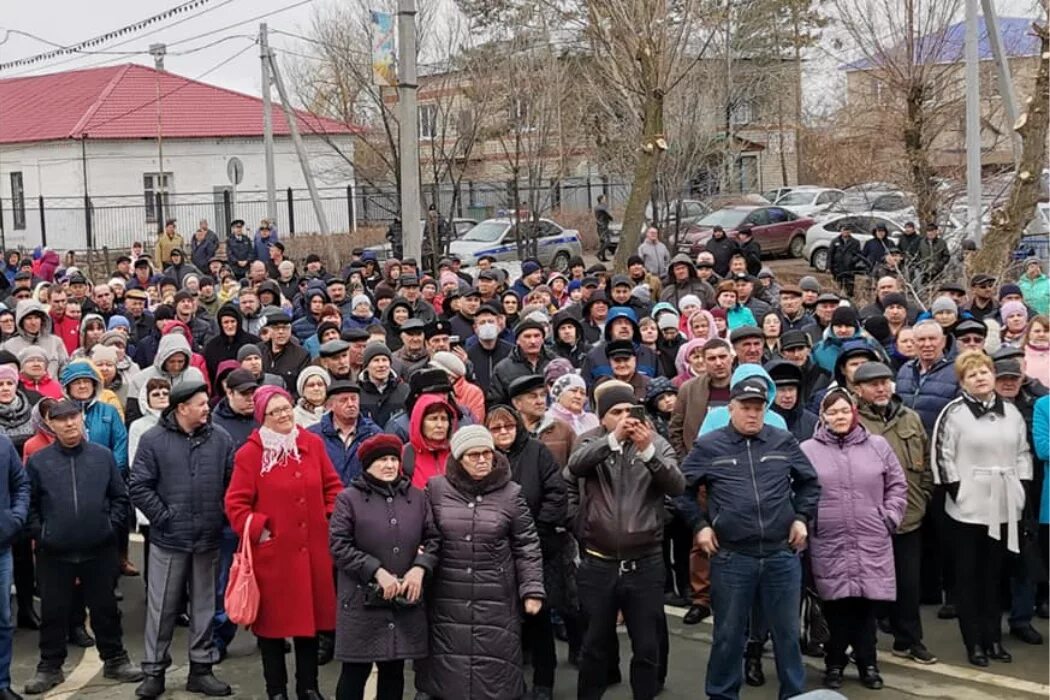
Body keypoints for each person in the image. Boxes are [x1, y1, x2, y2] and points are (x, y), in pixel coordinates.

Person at [679, 376, 820, 700]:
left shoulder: (782, 441)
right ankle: (722, 695)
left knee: (786, 635)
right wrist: (700, 526)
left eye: (759, 408)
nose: (753, 414)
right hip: (732, 557)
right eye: (746, 407)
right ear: (731, 409)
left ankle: (794, 695)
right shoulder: (709, 445)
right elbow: (681, 492)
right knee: (728, 636)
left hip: (780, 555)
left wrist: (801, 518)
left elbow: (810, 483)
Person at [566, 380, 684, 700]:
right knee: (594, 647)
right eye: (615, 412)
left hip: (645, 562)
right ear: (602, 417)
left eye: (628, 411)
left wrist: (647, 452)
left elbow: (676, 486)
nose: (623, 418)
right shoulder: (588, 441)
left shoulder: (655, 443)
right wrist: (613, 440)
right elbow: (574, 468)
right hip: (598, 562)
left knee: (647, 647)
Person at [225, 386, 343, 700]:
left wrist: (328, 517)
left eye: (286, 408)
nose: (283, 415)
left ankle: (309, 688)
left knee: (310, 626)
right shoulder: (250, 454)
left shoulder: (312, 444)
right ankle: (276, 691)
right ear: (263, 417)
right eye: (275, 411)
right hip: (273, 557)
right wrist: (261, 530)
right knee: (272, 631)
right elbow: (236, 505)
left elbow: (333, 486)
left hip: (313, 552)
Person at [415, 425, 545, 700]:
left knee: (495, 672)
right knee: (447, 670)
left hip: (496, 597)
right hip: (447, 596)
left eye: (487, 452)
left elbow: (526, 544)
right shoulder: (436, 489)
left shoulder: (511, 493)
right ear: (459, 458)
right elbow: (424, 536)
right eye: (473, 455)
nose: (483, 459)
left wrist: (532, 589)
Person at [23, 400, 144, 694]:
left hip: (99, 549)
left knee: (105, 609)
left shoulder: (102, 457)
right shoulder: (39, 461)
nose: (69, 424)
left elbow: (119, 498)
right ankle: (50, 666)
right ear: (50, 424)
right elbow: (30, 505)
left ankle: (115, 659)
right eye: (61, 419)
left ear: (81, 419)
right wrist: (43, 532)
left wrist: (107, 527)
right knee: (54, 612)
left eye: (73, 417)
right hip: (54, 552)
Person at [129, 381, 235, 698]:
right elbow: (139, 486)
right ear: (182, 408)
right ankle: (154, 671)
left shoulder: (221, 439)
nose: (207, 408)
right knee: (161, 609)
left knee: (204, 606)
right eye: (201, 403)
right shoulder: (153, 440)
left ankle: (201, 669)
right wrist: (165, 518)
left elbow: (232, 484)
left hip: (208, 537)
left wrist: (220, 516)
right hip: (168, 540)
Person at [801, 387, 907, 690]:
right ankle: (834, 663)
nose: (839, 417)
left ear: (854, 412)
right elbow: (798, 489)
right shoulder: (808, 449)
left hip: (871, 536)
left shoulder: (877, 445)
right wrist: (808, 524)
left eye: (844, 410)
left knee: (866, 606)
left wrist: (889, 516)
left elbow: (897, 485)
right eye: (832, 412)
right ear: (823, 416)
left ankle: (868, 663)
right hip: (829, 539)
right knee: (836, 606)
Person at [931, 351, 1032, 666]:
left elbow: (1023, 453)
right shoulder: (954, 413)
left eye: (984, 371)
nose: (980, 378)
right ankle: (973, 642)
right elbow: (942, 456)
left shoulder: (1012, 413)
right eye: (972, 374)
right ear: (962, 381)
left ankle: (993, 639)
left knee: (994, 577)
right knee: (969, 578)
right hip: (968, 509)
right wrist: (959, 492)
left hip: (1004, 505)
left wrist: (1020, 490)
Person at [329, 433, 439, 700]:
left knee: (394, 671)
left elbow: (433, 538)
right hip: (361, 601)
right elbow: (339, 546)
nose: (389, 465)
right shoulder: (349, 499)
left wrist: (420, 567)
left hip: (403, 601)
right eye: (381, 460)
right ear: (367, 465)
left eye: (393, 459)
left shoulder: (416, 497)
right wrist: (375, 570)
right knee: (355, 672)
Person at [853, 361, 937, 664]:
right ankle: (865, 649)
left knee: (908, 585)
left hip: (908, 517)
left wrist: (924, 495)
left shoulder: (910, 418)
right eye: (873, 384)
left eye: (885, 382)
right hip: (869, 519)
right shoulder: (851, 420)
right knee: (867, 588)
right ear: (858, 389)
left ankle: (909, 640)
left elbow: (926, 463)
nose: (880, 388)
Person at [485, 405, 569, 699]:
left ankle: (544, 683)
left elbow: (557, 493)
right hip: (495, 550)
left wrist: (535, 529)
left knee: (539, 618)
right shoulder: (483, 456)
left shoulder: (537, 451)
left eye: (508, 426)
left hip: (537, 548)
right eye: (496, 428)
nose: (503, 432)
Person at [0, 430, 27, 700]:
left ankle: (1, 683)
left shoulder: (3, 445)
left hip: (1, 549)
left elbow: (21, 484)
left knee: (3, 621)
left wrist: (15, 518)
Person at [403, 394, 456, 489]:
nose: (440, 425)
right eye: (433, 419)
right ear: (420, 421)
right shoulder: (405, 455)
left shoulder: (456, 453)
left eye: (444, 419)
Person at [828, 226, 863, 297]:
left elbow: (859, 255)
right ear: (841, 231)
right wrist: (828, 267)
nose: (846, 232)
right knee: (837, 289)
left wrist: (852, 260)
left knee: (849, 290)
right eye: (844, 230)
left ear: (850, 231)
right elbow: (830, 255)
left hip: (849, 269)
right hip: (837, 268)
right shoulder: (835, 241)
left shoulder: (855, 242)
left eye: (848, 230)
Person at [594, 194, 614, 261]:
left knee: (602, 241)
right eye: (604, 198)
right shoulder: (603, 207)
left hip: (599, 226)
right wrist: (611, 218)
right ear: (601, 199)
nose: (605, 200)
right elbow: (608, 214)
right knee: (607, 241)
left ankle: (603, 257)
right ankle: (598, 253)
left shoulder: (596, 207)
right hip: (603, 226)